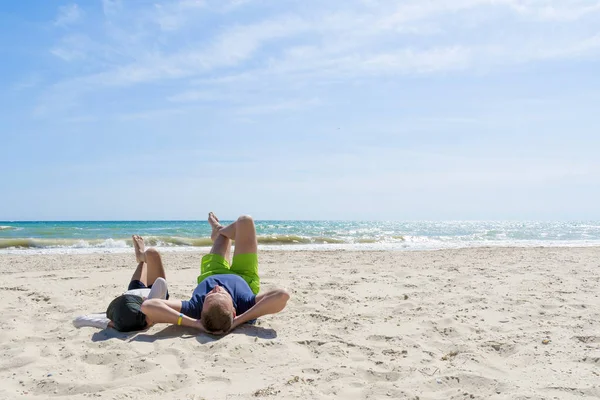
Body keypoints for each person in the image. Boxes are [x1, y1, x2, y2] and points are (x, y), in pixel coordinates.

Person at [141, 213, 290, 334]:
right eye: (221, 294)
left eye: (210, 295)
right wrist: (239, 320)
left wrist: (195, 324)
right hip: (245, 275)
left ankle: (219, 230)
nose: (217, 288)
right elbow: (282, 296)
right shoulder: (245, 306)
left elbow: (148, 306)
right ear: (233, 311)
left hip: (212, 272)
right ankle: (219, 229)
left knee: (223, 238)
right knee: (245, 221)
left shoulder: (195, 309)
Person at [73, 235, 169, 331]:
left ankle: (140, 257)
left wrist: (110, 323)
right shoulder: (151, 311)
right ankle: (140, 254)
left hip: (133, 291)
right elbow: (160, 283)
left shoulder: (117, 318)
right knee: (152, 253)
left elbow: (78, 320)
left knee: (144, 262)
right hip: (157, 293)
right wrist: (147, 302)